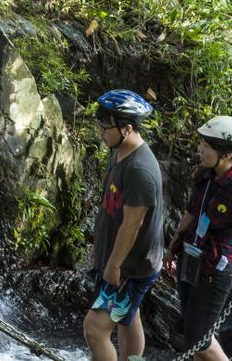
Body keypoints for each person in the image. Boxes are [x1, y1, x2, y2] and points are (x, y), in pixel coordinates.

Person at [83, 89, 164, 361]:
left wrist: (114, 265)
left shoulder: (141, 170)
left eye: (105, 128)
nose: (101, 133)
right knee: (128, 317)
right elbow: (110, 206)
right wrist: (99, 246)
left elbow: (133, 225)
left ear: (127, 128)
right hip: (119, 258)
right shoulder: (118, 151)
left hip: (131, 266)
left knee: (95, 329)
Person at [164, 115, 232, 360]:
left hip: (216, 270)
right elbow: (191, 214)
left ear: (226, 155)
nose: (200, 149)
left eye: (207, 145)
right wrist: (171, 248)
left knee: (198, 337)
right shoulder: (205, 176)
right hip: (191, 261)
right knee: (193, 331)